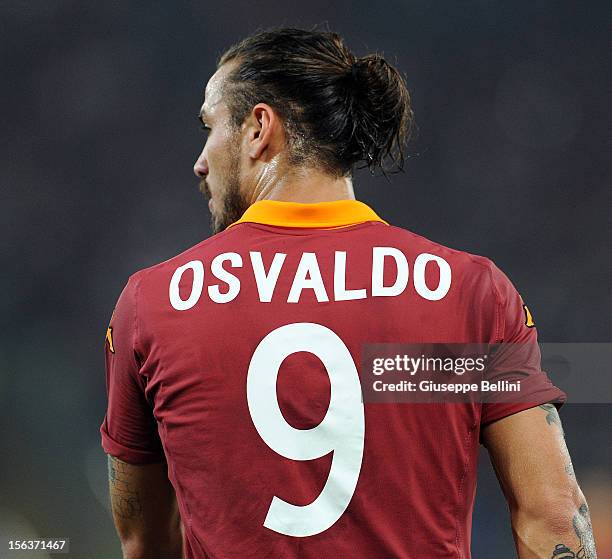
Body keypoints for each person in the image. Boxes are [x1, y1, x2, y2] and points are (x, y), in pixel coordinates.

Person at [100, 27, 596, 559]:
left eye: (210, 127)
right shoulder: (467, 292)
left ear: (257, 128)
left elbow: (146, 541)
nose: (200, 161)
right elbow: (554, 519)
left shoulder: (153, 303)